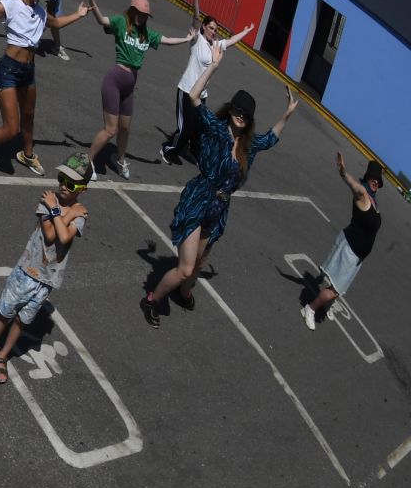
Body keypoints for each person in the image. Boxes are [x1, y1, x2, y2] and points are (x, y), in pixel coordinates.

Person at [141, 71, 298, 327]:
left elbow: (271, 139)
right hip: (199, 199)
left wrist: (288, 113)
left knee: (197, 265)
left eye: (246, 115)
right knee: (185, 268)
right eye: (238, 110)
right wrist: (214, 66)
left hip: (218, 208)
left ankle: (183, 293)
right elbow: (193, 97)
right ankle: (151, 300)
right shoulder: (216, 129)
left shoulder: (248, 145)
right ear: (231, 109)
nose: (241, 116)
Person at [0, 0, 94, 175]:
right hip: (8, 70)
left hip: (28, 71)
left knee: (29, 116)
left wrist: (79, 14)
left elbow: (56, 23)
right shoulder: (11, 4)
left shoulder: (40, 12)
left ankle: (27, 154)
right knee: (12, 128)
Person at [0, 153, 90, 384]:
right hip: (27, 270)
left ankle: (4, 355)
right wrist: (64, 213)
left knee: (23, 320)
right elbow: (50, 235)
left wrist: (59, 213)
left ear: (82, 189)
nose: (63, 186)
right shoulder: (48, 199)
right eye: (61, 179)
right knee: (6, 312)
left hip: (47, 279)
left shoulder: (79, 211)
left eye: (71, 183)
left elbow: (65, 237)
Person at [82, 0, 194, 182]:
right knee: (111, 129)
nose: (142, 18)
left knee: (125, 129)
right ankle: (87, 161)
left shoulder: (147, 34)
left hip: (129, 86)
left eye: (145, 15)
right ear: (132, 10)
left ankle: (120, 158)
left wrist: (187, 39)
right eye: (140, 13)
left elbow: (166, 40)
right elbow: (101, 20)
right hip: (115, 80)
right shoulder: (120, 22)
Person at [161, 0, 253, 166]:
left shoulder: (215, 45)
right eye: (211, 28)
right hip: (187, 90)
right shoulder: (197, 40)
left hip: (201, 94)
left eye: (215, 29)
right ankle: (168, 150)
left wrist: (246, 31)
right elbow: (196, 15)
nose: (213, 32)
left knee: (199, 127)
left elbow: (232, 41)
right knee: (186, 128)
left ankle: (194, 152)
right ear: (203, 27)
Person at [304, 154, 385, 329]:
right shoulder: (362, 194)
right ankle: (310, 309)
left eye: (378, 181)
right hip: (349, 248)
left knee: (341, 287)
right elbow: (355, 186)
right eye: (373, 179)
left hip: (358, 256)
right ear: (367, 178)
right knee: (334, 290)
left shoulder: (374, 201)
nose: (376, 182)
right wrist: (343, 173)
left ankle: (327, 305)